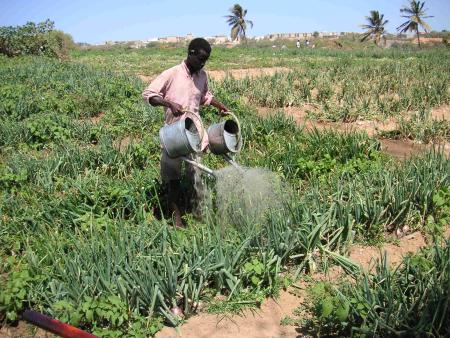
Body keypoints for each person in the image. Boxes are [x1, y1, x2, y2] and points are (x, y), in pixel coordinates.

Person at [142, 38, 229, 227]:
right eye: (200, 59)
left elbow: (204, 96)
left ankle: (196, 213)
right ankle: (177, 220)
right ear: (190, 54)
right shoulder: (172, 74)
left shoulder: (202, 75)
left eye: (206, 60)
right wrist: (168, 103)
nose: (202, 63)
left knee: (195, 174)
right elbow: (149, 94)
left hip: (194, 132)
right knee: (172, 179)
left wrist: (218, 105)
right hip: (174, 133)